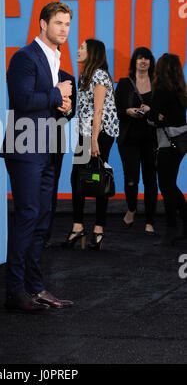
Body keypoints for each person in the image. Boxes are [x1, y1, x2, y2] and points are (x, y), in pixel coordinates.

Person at [0, 1, 74, 312]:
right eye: (58, 23)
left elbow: (48, 105)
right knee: (28, 216)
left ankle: (36, 288)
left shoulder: (56, 60)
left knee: (42, 220)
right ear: (42, 24)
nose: (64, 29)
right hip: (25, 148)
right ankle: (15, 291)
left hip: (47, 147)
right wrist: (57, 95)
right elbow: (23, 99)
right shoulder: (25, 57)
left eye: (67, 24)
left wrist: (65, 109)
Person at [66, 38, 119, 250]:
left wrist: (94, 140)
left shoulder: (99, 75)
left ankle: (97, 228)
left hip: (100, 134)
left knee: (99, 177)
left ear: (92, 53)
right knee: (80, 177)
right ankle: (80, 226)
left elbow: (98, 111)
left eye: (82, 48)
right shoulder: (85, 75)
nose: (78, 50)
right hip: (87, 134)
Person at [115, 47, 158, 235]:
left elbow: (163, 110)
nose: (143, 61)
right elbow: (115, 109)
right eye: (140, 58)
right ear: (134, 61)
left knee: (150, 180)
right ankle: (131, 209)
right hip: (129, 138)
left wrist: (151, 109)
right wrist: (128, 111)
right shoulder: (124, 83)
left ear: (151, 62)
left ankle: (150, 220)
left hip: (152, 139)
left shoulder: (157, 83)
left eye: (147, 58)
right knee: (131, 179)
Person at [149, 53, 187, 246]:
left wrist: (152, 115)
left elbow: (154, 117)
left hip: (167, 143)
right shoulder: (181, 89)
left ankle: (172, 228)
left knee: (166, 186)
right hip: (181, 142)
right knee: (171, 184)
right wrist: (158, 116)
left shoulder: (161, 89)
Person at [43, 68, 76, 248]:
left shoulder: (68, 79)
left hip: (55, 141)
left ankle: (44, 235)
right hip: (29, 138)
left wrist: (66, 110)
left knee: (51, 188)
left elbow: (71, 114)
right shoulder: (34, 74)